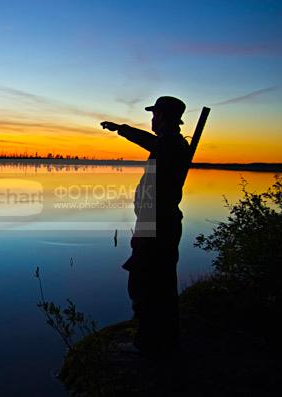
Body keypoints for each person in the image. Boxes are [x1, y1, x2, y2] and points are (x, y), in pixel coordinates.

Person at [101, 96, 191, 355]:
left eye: (154, 115)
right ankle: (163, 340)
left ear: (162, 116)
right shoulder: (170, 145)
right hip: (161, 223)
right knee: (160, 284)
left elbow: (151, 143)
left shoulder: (170, 144)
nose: (152, 119)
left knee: (144, 284)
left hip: (156, 225)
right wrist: (122, 129)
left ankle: (147, 344)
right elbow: (152, 144)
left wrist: (122, 130)